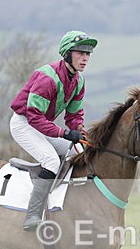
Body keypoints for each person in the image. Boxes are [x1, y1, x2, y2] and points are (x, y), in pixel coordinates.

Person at [9, 30, 98, 230]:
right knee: (51, 161)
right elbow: (33, 117)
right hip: (24, 124)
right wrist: (64, 133)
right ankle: (32, 215)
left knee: (82, 152)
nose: (85, 58)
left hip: (42, 125)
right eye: (80, 53)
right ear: (67, 54)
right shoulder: (47, 78)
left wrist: (79, 132)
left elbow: (74, 116)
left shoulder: (79, 81)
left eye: (88, 54)